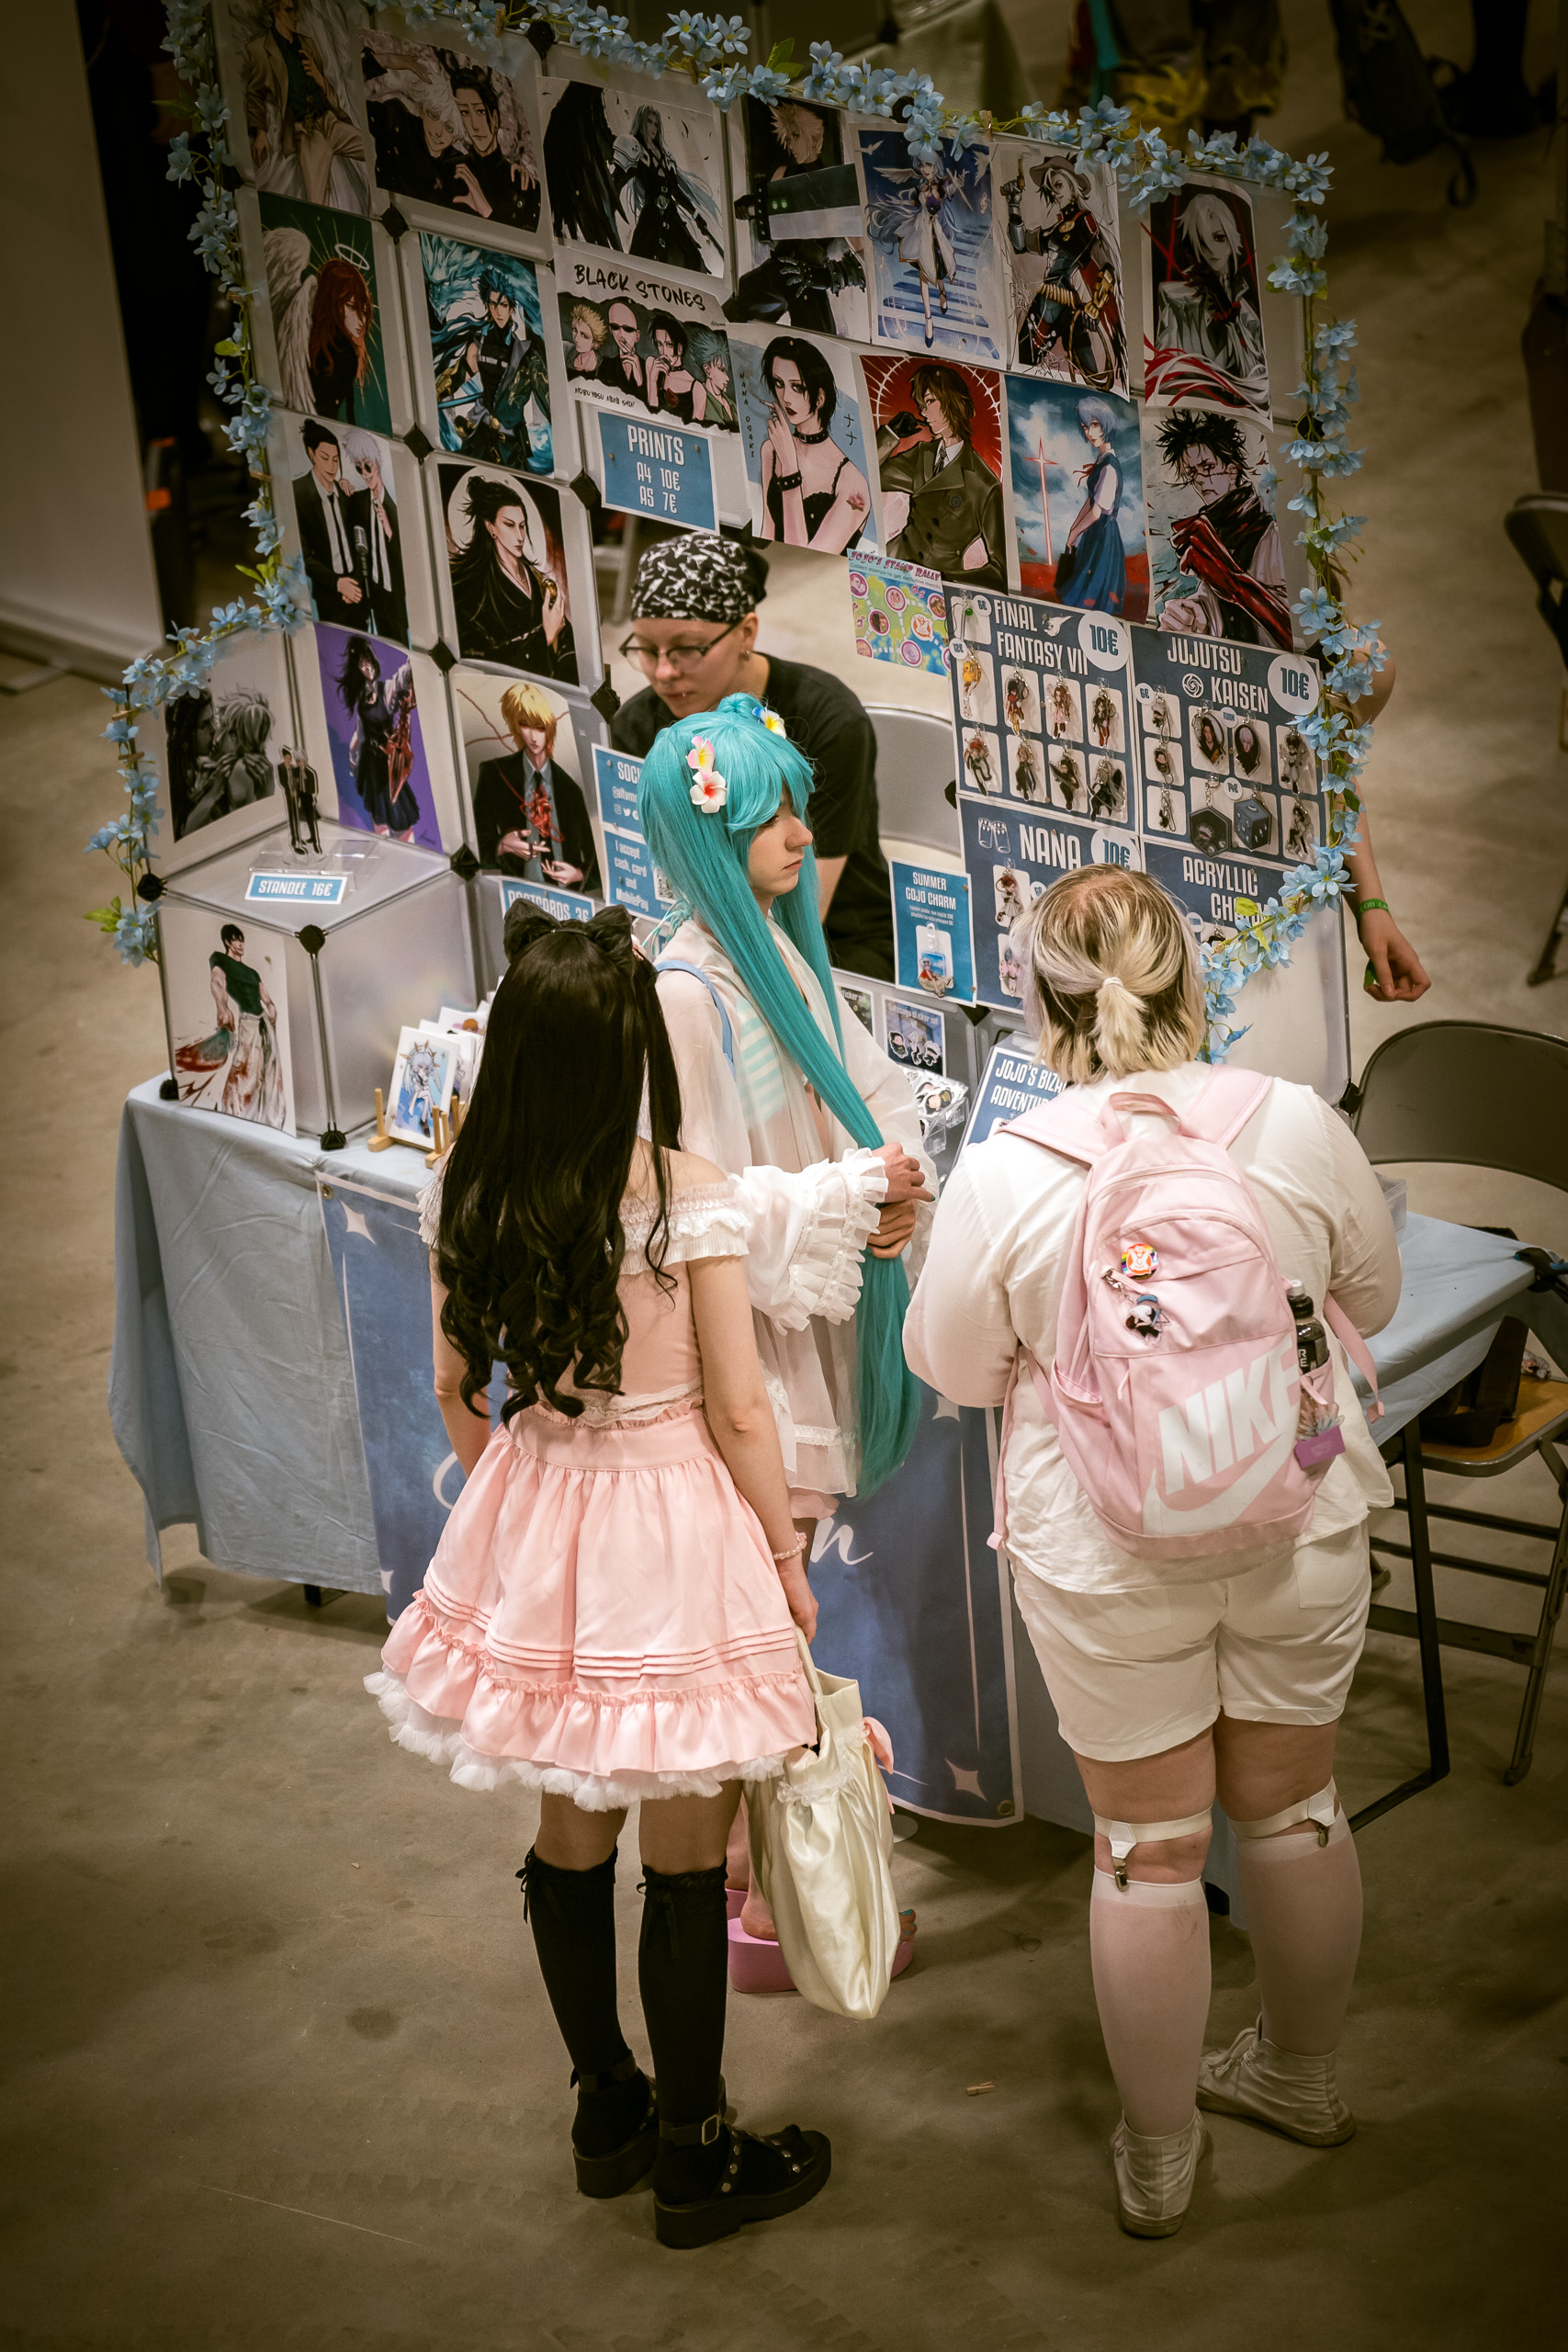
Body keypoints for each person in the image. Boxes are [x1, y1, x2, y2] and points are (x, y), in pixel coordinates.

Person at [904, 865, 1402, 2237]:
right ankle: (1300, 2075)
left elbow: (952, 1365)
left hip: (1103, 1547)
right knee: (1295, 1809)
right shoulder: (1295, 1121)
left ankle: (1162, 2151)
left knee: (1146, 1848)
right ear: (1192, 978)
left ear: (1038, 1003)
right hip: (1299, 1505)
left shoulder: (1009, 1170)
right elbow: (1371, 1293)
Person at [367, 909, 831, 2247]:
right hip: (677, 1526)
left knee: (568, 1834)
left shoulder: (468, 1185)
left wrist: (518, 1507)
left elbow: (455, 1385)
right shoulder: (683, 1193)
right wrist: (784, 1563)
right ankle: (694, 2155)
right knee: (684, 1858)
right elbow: (740, 1410)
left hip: (547, 1506)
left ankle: (606, 2109)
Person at [637, 694, 934, 1940]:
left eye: (796, 811)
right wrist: (854, 1191)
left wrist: (895, 1184)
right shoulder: (684, 994)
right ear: (712, 832)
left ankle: (756, 1877)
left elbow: (873, 1090)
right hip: (749, 1352)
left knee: (772, 1609)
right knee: (766, 1616)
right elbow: (694, 1205)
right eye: (770, 818)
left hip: (803, 1330)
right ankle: (767, 1891)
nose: (800, 836)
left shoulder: (776, 953)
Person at [611, 534, 895, 978]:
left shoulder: (828, 721)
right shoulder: (637, 728)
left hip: (834, 938)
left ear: (746, 632)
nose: (664, 672)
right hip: (696, 934)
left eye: (688, 649)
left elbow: (805, 907)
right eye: (646, 650)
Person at [1153, 408, 1288, 649]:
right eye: (1193, 472)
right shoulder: (1216, 534)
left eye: (1207, 467)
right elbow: (1212, 605)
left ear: (1232, 470)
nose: (1200, 479)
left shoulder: (1270, 534)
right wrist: (1189, 616)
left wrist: (1233, 581)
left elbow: (1288, 623)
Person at [874, 366, 1007, 592]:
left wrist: (941, 579)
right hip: (892, 564)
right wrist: (891, 434)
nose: (923, 413)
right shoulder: (922, 454)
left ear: (952, 401)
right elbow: (867, 474)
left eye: (929, 402)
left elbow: (1001, 572)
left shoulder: (984, 484)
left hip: (934, 590)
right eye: (922, 404)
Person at [471, 681, 601, 889]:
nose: (533, 737)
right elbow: (472, 850)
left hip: (567, 898)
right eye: (525, 725)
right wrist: (502, 845)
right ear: (516, 726)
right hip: (516, 894)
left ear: (549, 728)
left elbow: (599, 858)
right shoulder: (494, 775)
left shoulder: (571, 789)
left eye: (540, 727)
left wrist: (578, 875)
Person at [449, 475, 575, 683]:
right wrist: (545, 636)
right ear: (490, 527)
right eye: (509, 525)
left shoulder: (536, 578)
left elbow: (566, 639)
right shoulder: (469, 589)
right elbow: (481, 661)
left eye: (522, 526)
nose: (520, 536)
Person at [243, 0, 367, 209]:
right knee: (317, 204)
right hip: (306, 133)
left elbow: (331, 97)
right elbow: (255, 93)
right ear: (276, 12)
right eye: (289, 11)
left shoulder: (307, 43)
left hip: (330, 122)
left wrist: (319, 78)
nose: (296, 17)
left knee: (372, 151)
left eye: (296, 11)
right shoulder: (260, 50)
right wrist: (260, 131)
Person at [757, 336, 870, 554]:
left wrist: (790, 468)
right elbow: (766, 537)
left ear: (819, 398)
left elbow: (804, 558)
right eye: (779, 384)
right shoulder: (771, 450)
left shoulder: (852, 483)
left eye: (797, 387)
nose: (785, 398)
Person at [615, 107, 722, 274]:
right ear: (641, 122)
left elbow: (676, 192)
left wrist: (696, 216)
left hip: (671, 215)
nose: (653, 128)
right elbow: (617, 182)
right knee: (640, 262)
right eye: (649, 122)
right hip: (651, 217)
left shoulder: (666, 157)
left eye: (656, 124)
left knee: (694, 259)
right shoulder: (634, 150)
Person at [336, 634, 420, 837]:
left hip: (387, 760)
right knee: (377, 814)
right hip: (369, 762)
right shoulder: (363, 697)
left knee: (398, 814)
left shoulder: (386, 690)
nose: (367, 667)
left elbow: (401, 679)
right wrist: (353, 758)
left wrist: (412, 662)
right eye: (362, 664)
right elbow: (360, 730)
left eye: (368, 661)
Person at [1054, 398, 1130, 616]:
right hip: (1095, 533)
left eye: (1094, 424)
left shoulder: (1109, 467)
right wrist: (1074, 529)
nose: (1090, 432)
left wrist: (1075, 532)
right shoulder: (1102, 461)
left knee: (1091, 593)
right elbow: (1090, 501)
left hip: (1103, 535)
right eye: (1086, 427)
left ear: (1106, 423)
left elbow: (1096, 512)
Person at [209, 923, 287, 1127]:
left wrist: (272, 1012)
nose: (241, 944)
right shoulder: (221, 961)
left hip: (264, 1023)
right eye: (236, 940)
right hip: (248, 1023)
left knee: (270, 1069)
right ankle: (237, 1114)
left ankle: (269, 1119)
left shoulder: (252, 973)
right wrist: (222, 1008)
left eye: (242, 940)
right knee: (245, 1070)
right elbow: (217, 983)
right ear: (228, 942)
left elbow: (267, 999)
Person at [293, 419, 365, 628]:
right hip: (328, 595)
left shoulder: (345, 493)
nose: (332, 467)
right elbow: (302, 555)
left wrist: (354, 586)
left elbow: (359, 540)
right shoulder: (299, 494)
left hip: (357, 592)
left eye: (335, 459)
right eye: (325, 458)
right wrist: (338, 584)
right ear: (311, 454)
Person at [341, 428, 408, 647]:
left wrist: (388, 529)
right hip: (374, 594)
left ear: (377, 463)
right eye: (359, 468)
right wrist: (341, 488)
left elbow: (408, 558)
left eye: (368, 466)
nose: (365, 473)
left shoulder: (396, 507)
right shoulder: (359, 501)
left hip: (395, 598)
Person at [645, 313, 708, 425]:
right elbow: (649, 414)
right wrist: (653, 381)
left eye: (669, 345)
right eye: (659, 344)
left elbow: (696, 430)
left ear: (679, 349)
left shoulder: (697, 388)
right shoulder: (651, 364)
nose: (663, 352)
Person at [595, 299, 649, 401]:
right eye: (615, 327)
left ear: (637, 336)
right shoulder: (606, 365)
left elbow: (652, 407)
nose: (621, 335)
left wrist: (640, 381)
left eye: (628, 329)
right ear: (611, 330)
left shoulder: (649, 369)